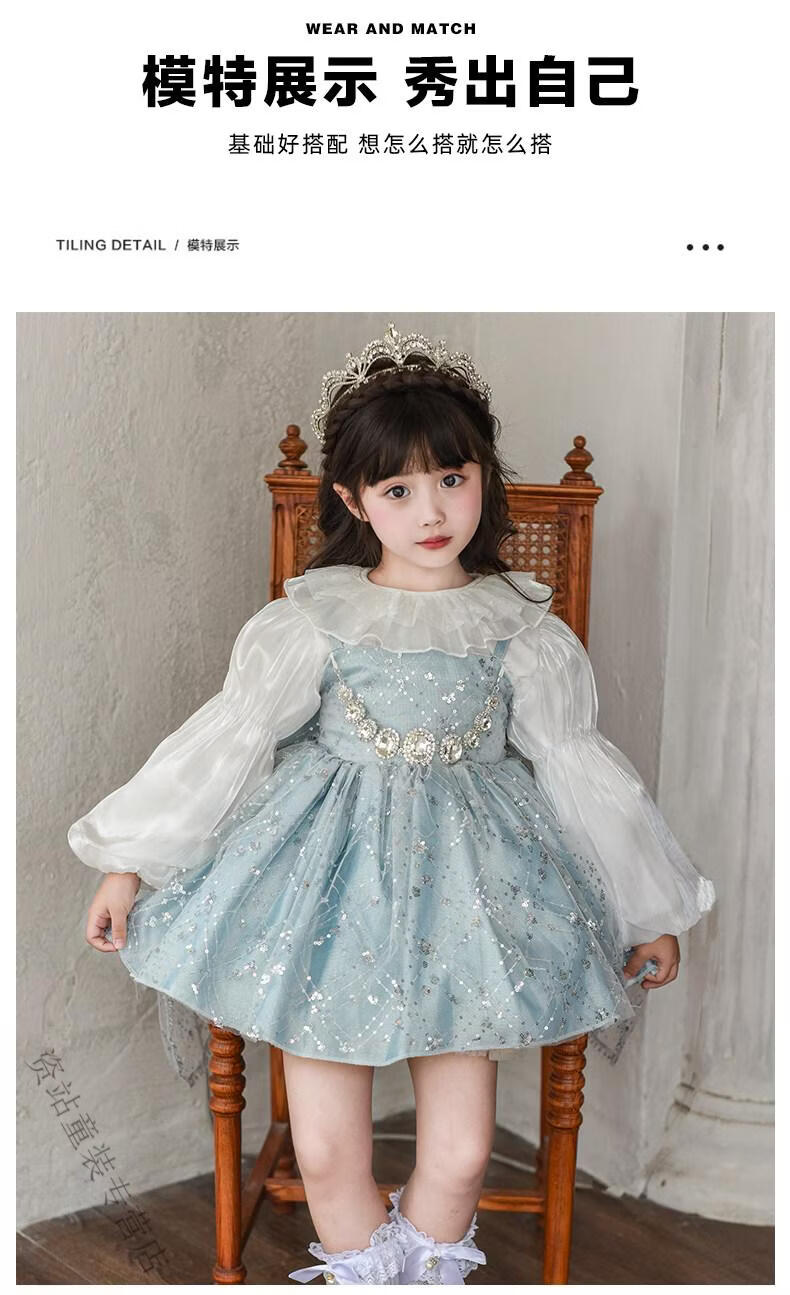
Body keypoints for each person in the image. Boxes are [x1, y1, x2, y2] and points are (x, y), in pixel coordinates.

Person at [68, 323, 716, 1285]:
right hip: (324, 893)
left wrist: (648, 906)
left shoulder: (521, 631)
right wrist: (128, 861)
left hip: (471, 898)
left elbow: (579, 770)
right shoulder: (311, 622)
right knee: (330, 1151)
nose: (433, 510)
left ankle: (419, 1273)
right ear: (352, 499)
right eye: (398, 490)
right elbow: (229, 742)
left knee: (460, 1152)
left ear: (485, 477)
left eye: (453, 478)